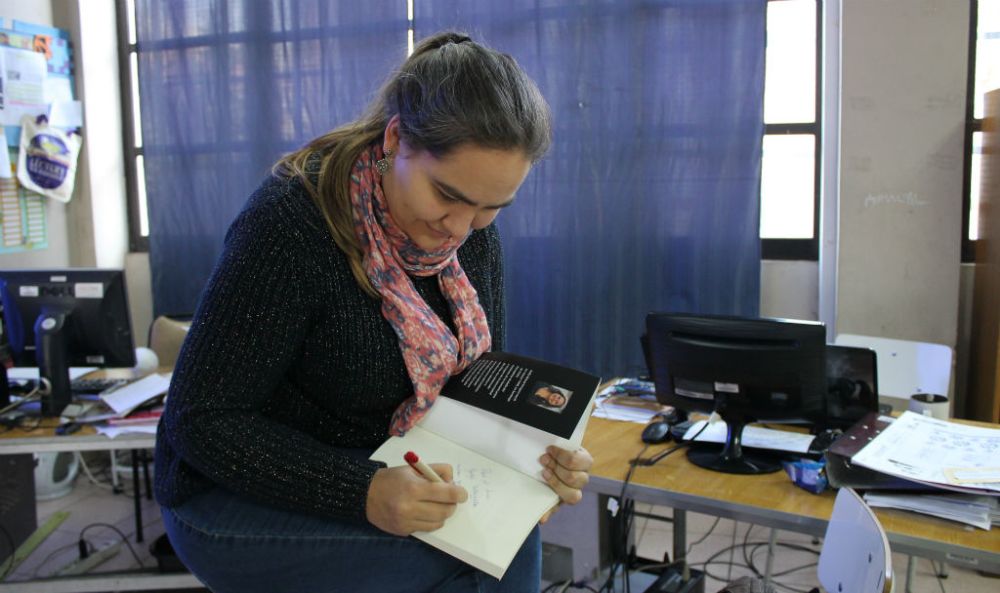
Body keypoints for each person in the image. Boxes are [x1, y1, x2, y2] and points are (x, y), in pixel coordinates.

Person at [153, 31, 593, 593]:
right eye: (447, 195)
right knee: (480, 561)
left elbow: (477, 396)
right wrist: (359, 490)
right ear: (396, 140)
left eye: (491, 208)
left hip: (381, 464)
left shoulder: (474, 237)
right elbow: (201, 421)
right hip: (228, 493)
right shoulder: (291, 226)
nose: (461, 228)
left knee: (511, 532)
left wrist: (532, 466)